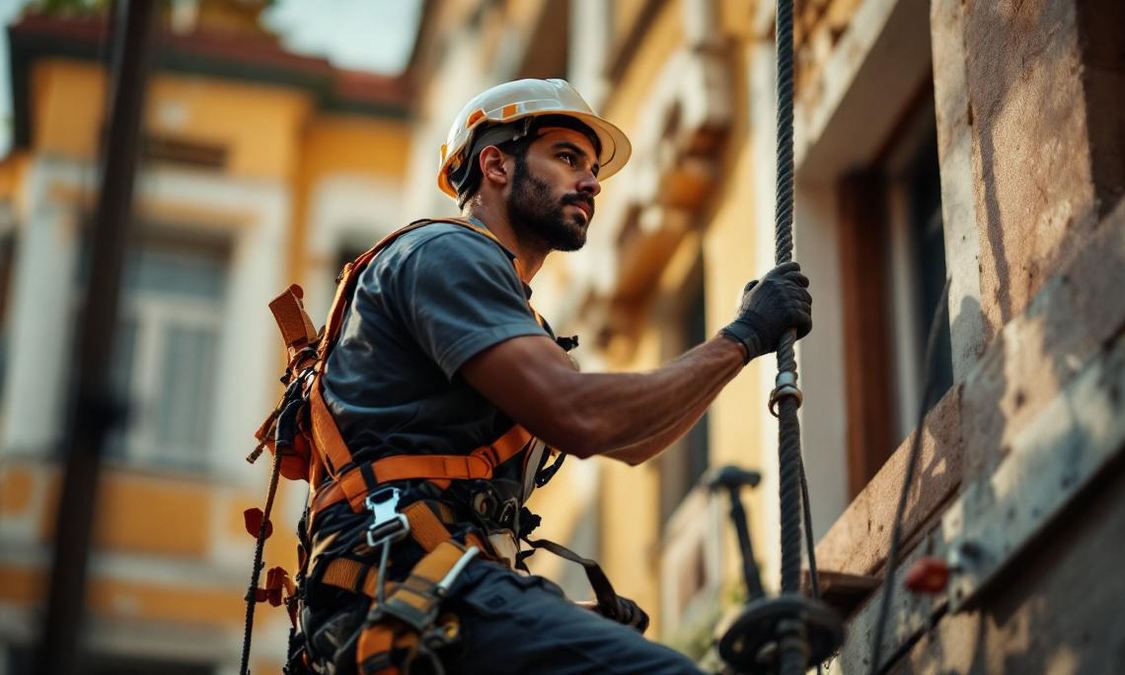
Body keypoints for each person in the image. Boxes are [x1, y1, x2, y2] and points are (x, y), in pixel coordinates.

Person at [292, 78, 813, 674]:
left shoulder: (505, 306)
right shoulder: (444, 253)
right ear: (495, 164)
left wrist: (742, 345)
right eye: (567, 158)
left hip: (415, 591)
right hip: (405, 584)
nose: (591, 182)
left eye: (593, 168)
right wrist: (742, 337)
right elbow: (583, 418)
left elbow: (633, 439)